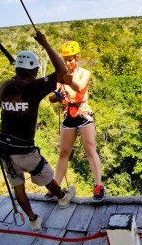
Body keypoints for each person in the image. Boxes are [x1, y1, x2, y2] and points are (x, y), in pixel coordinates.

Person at [0, 31, 76, 232]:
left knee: (18, 186)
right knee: (45, 175)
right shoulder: (33, 87)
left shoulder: (6, 85)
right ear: (34, 70)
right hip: (23, 148)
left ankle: (33, 220)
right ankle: (62, 198)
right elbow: (61, 70)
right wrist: (45, 43)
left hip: (4, 147)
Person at [47, 41, 104, 201]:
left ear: (77, 57)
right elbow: (53, 97)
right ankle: (55, 186)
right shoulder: (62, 76)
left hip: (83, 114)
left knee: (90, 149)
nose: (67, 63)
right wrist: (55, 96)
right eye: (65, 60)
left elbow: (79, 87)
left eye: (70, 59)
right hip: (69, 115)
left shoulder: (85, 73)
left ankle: (98, 185)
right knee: (63, 152)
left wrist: (66, 78)